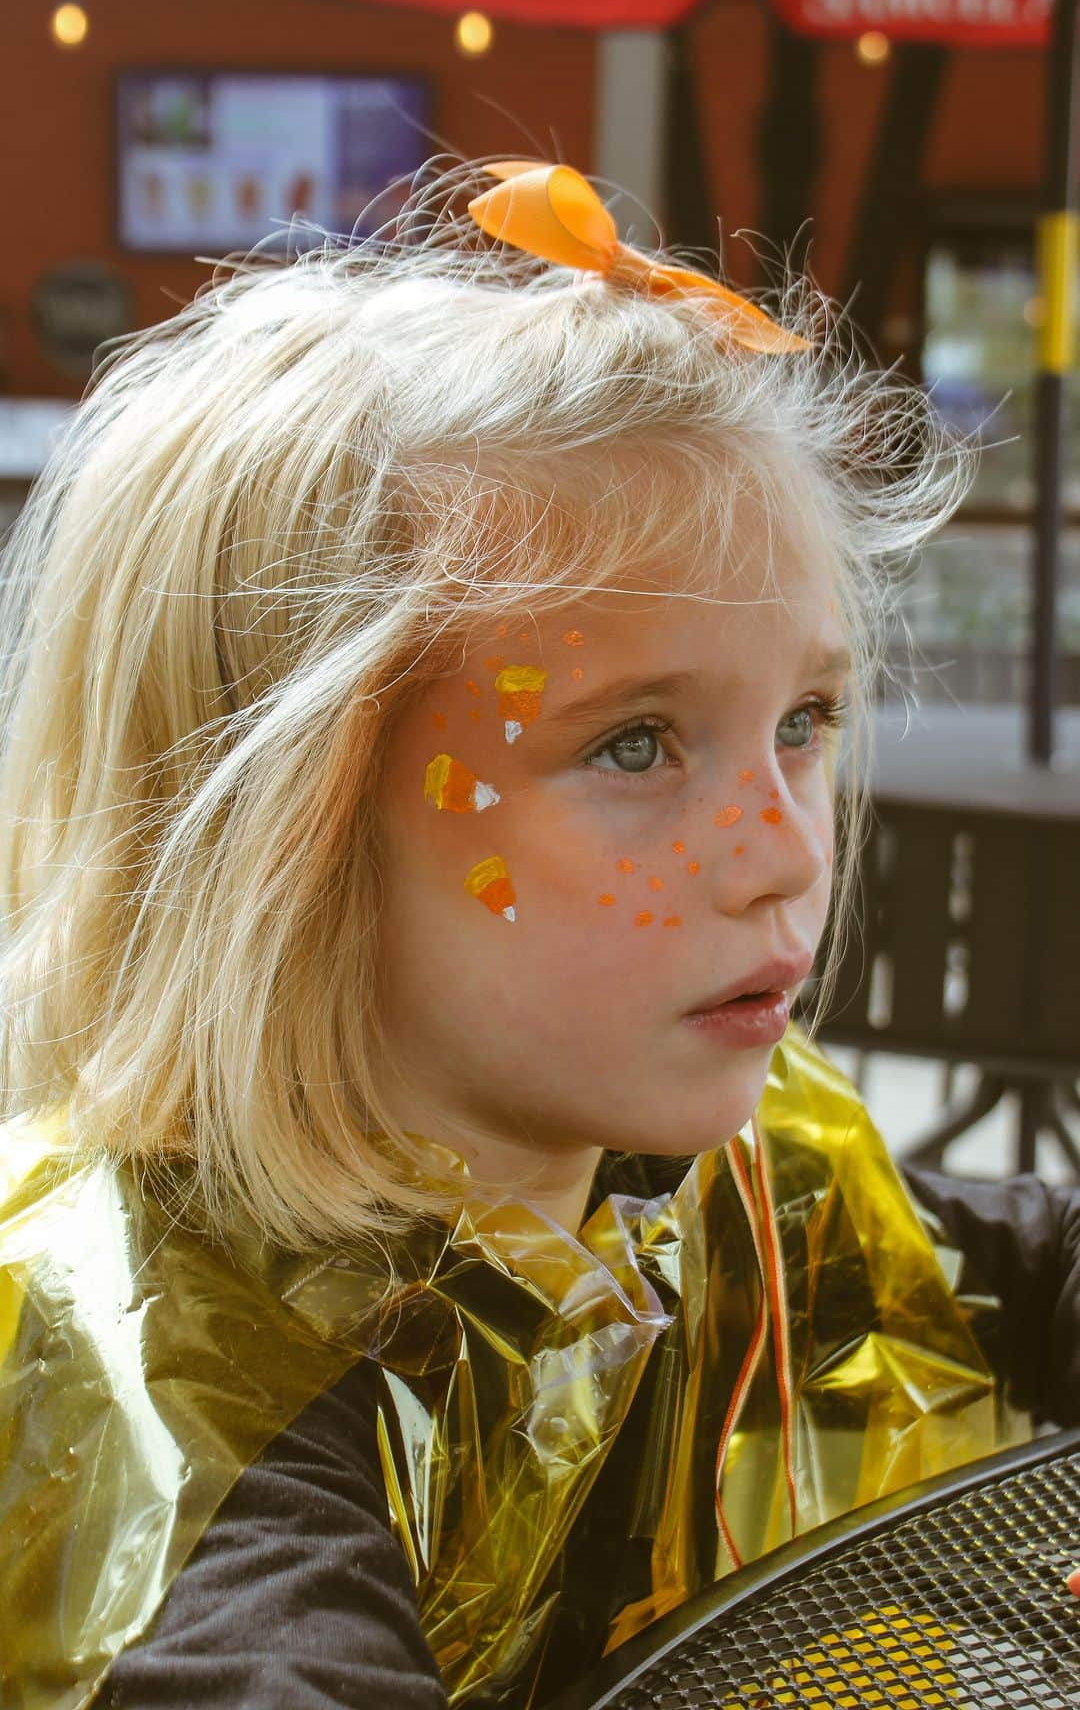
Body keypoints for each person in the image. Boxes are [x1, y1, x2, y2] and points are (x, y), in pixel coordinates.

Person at [0, 161, 1076, 1710]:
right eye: (636, 746)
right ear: (281, 838)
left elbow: (1016, 1262)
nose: (786, 852)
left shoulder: (703, 1193)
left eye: (807, 723)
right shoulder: (164, 1388)